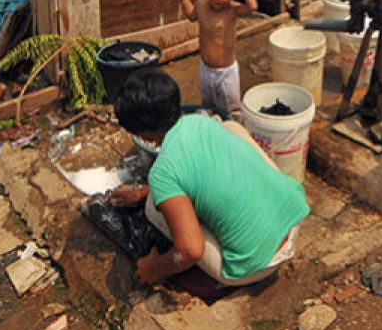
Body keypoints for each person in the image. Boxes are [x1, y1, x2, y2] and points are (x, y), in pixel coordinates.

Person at [108, 70, 309, 288]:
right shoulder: (201, 122)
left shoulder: (163, 173)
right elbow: (201, 169)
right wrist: (144, 191)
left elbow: (189, 251)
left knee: (152, 207)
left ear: (141, 132)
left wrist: (153, 268)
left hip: (259, 262)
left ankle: (225, 276)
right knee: (231, 127)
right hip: (292, 220)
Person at [175, 0, 258, 120]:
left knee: (232, 111)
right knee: (208, 106)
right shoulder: (200, 4)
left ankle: (232, 131)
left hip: (227, 73)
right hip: (206, 69)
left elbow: (252, 7)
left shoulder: (232, 10)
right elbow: (191, 16)